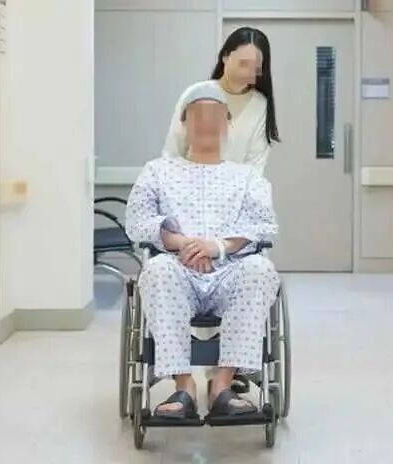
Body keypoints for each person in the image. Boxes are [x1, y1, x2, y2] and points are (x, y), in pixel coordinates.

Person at [126, 81, 280, 419]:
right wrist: (181, 243)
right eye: (198, 115)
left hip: (231, 271)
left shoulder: (247, 178)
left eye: (215, 115)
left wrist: (217, 247)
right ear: (183, 122)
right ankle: (184, 388)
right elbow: (137, 222)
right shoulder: (158, 171)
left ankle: (222, 385)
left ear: (228, 123)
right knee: (156, 270)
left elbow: (264, 226)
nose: (207, 123)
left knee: (261, 270)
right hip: (177, 270)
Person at [163, 27, 280, 175]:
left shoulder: (259, 105)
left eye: (254, 68)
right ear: (225, 57)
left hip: (236, 187)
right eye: (243, 64)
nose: (246, 73)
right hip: (188, 183)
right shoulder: (196, 94)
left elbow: (255, 166)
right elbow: (173, 151)